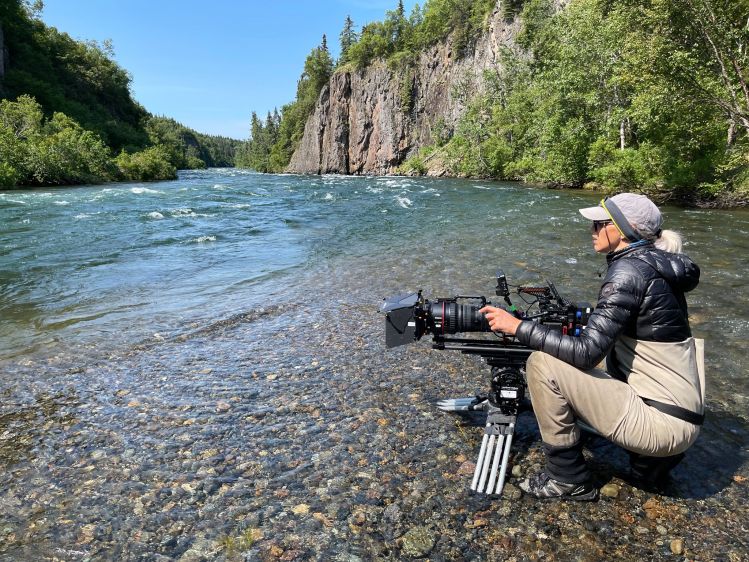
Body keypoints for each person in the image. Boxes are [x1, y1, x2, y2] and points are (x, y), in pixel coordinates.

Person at [479, 193, 704, 501]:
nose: (592, 231)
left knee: (542, 365)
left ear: (621, 230)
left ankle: (566, 477)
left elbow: (586, 353)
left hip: (662, 427)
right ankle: (650, 461)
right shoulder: (657, 266)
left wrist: (517, 327)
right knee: (591, 355)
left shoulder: (628, 272)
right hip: (681, 414)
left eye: (599, 224)